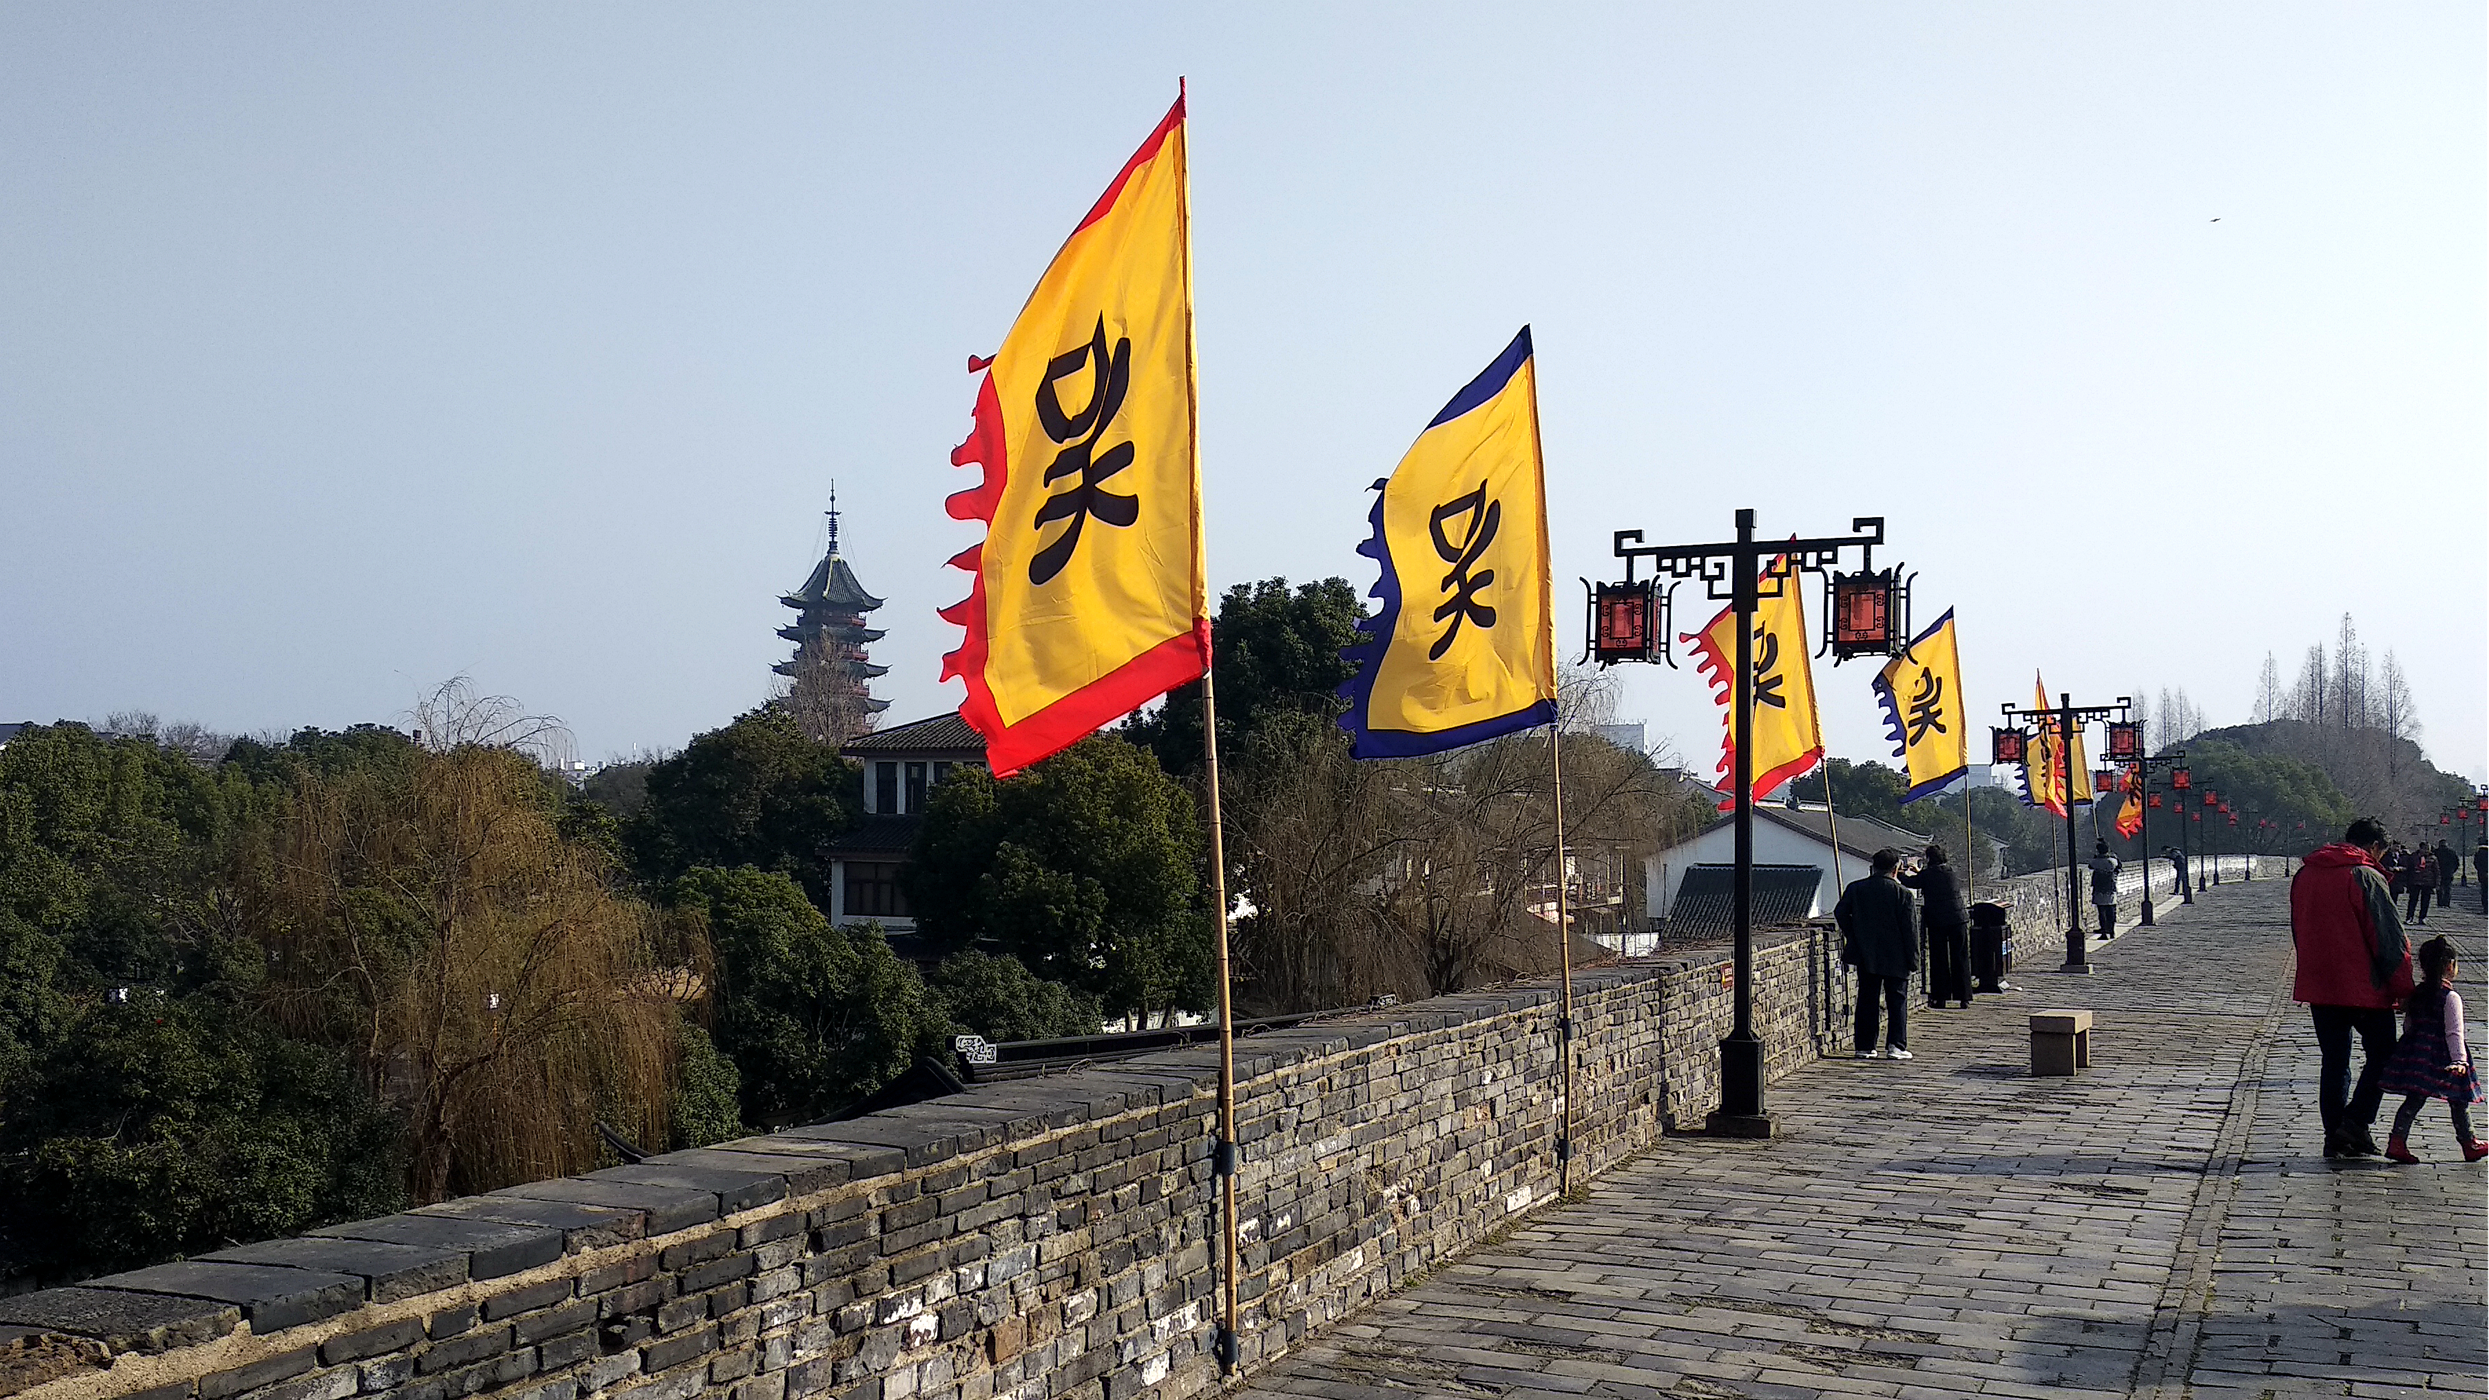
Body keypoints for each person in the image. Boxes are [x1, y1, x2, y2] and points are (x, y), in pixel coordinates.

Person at [2291, 818, 2414, 1159]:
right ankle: (2356, 1120)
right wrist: (2403, 988)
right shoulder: (2365, 876)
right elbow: (2388, 939)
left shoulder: (2306, 874)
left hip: (2319, 983)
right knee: (2384, 1055)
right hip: (2363, 987)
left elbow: (2298, 928)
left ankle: (2335, 1134)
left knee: (2334, 1060)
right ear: (2374, 847)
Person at [2379, 935, 2485, 1164]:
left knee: (2414, 1098)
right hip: (2444, 1055)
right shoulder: (2450, 998)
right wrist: (2460, 1060)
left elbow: (2408, 1025)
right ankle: (2469, 1142)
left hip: (2418, 1054)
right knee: (2458, 1100)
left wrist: (2412, 1045)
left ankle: (2397, 1141)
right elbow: (2454, 1032)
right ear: (2449, 966)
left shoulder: (2417, 994)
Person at [1837, 848, 1920, 1061]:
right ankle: (1896, 1045)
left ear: (1873, 867)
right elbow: (1910, 930)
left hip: (1866, 952)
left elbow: (1841, 912)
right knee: (1897, 1001)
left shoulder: (1856, 889)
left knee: (1867, 998)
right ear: (1896, 869)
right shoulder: (1902, 894)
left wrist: (1853, 935)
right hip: (1897, 954)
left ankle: (1865, 1046)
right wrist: (1914, 959)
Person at [1900, 844, 1970, 1009]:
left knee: (1939, 959)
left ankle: (1941, 997)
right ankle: (1964, 997)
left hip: (1938, 921)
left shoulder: (1929, 874)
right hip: (1958, 918)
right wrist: (1920, 873)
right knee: (1960, 957)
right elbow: (1928, 879)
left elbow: (1912, 883)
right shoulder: (1949, 871)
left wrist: (1900, 873)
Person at [2087, 840, 2122, 939]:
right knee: (2111, 911)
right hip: (2110, 888)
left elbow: (2090, 866)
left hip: (2099, 888)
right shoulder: (2112, 861)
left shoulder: (2096, 861)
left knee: (2101, 911)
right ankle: (2111, 931)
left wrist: (2096, 857)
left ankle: (2103, 932)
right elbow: (2119, 866)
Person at [2403, 847, 2433, 925]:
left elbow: (2436, 871)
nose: (2427, 851)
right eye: (2425, 849)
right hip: (2415, 882)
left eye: (2428, 849)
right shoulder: (2413, 857)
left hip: (2427, 882)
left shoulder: (2432, 858)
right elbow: (2409, 870)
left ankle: (2422, 917)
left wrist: (2436, 884)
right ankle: (2409, 917)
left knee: (2425, 901)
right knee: (2413, 900)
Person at [2433, 838, 2457, 910]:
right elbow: (2456, 863)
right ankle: (2446, 903)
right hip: (2448, 873)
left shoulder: (2436, 852)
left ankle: (2440, 902)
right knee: (2447, 888)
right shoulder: (2452, 852)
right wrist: (2452, 871)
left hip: (2438, 873)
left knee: (2439, 888)